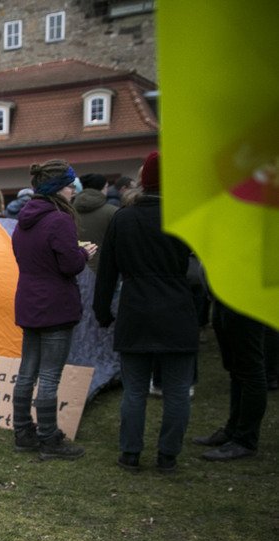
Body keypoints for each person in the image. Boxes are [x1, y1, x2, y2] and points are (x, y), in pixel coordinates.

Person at [93, 151, 198, 472]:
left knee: (135, 390)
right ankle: (168, 456)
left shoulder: (124, 218)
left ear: (144, 181)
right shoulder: (185, 218)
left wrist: (102, 312)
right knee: (178, 392)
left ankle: (130, 453)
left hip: (136, 309)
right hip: (177, 310)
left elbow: (107, 271)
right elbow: (197, 273)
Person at [11, 159, 97, 460]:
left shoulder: (24, 220)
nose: (73, 191)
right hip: (55, 305)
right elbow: (69, 265)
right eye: (69, 186)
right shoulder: (59, 221)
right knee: (48, 376)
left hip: (29, 301)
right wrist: (83, 253)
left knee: (27, 372)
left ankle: (23, 431)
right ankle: (49, 438)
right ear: (57, 190)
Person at [194, 298, 269, 460]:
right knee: (236, 369)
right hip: (225, 301)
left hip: (247, 301)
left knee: (250, 370)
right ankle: (233, 429)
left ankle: (245, 439)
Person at [76, 173, 118, 271]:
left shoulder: (69, 211)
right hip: (107, 268)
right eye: (107, 187)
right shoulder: (113, 212)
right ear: (102, 188)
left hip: (78, 268)